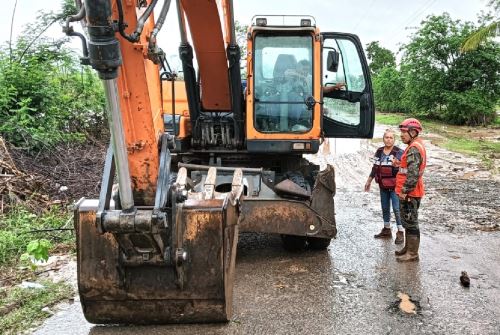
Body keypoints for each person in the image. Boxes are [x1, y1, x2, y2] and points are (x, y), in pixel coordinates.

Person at [393, 118, 427, 262]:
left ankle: (412, 254)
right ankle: (408, 249)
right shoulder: (415, 145)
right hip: (411, 191)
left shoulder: (414, 148)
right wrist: (400, 164)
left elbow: (413, 174)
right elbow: (410, 167)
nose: (401, 135)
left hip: (410, 193)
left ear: (413, 132)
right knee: (407, 221)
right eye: (401, 132)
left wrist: (405, 191)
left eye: (404, 132)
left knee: (411, 222)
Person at [365, 129, 404, 244]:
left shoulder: (399, 152)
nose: (388, 139)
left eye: (391, 137)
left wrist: (396, 165)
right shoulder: (379, 151)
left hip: (395, 186)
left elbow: (404, 170)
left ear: (394, 140)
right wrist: (369, 180)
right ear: (383, 139)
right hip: (383, 185)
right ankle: (387, 230)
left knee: (397, 209)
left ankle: (400, 232)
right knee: (385, 208)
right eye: (387, 137)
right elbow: (375, 167)